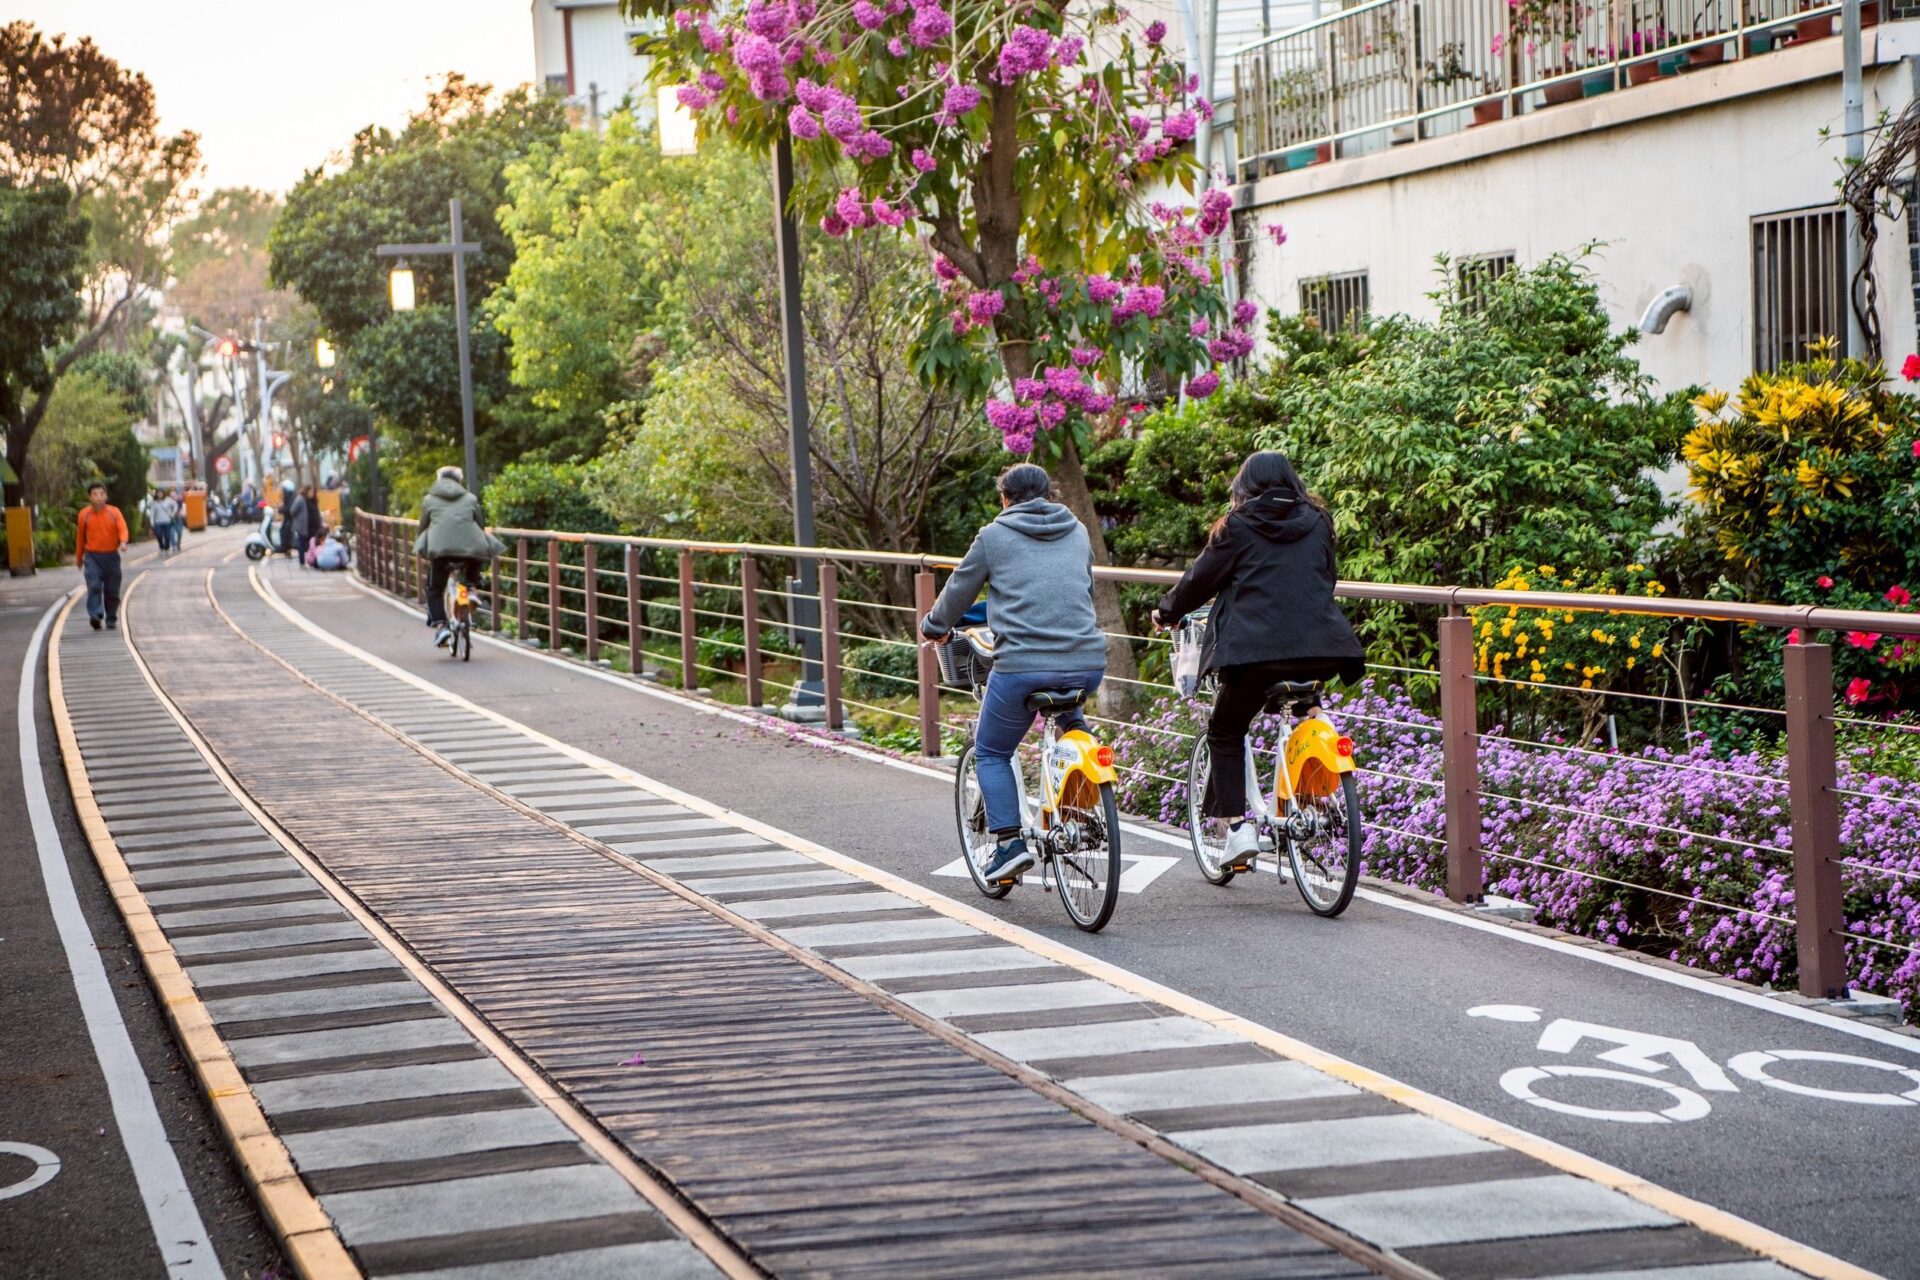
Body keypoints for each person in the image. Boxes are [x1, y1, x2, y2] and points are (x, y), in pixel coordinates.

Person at [1153, 451, 1365, 869]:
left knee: (1226, 730)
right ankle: (1315, 790)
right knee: (1306, 704)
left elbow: (1200, 580)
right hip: (1320, 647)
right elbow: (1326, 576)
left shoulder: (1237, 525)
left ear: (1244, 487)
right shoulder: (1320, 521)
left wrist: (1167, 611)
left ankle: (1236, 830)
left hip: (1256, 655)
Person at [919, 463, 1107, 883]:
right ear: (1049, 494)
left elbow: (958, 594)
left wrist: (934, 626)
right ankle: (1080, 805)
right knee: (1069, 718)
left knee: (991, 751)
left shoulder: (994, 536)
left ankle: (1008, 844)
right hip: (1087, 662)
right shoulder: (1077, 530)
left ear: (1004, 498)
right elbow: (1083, 592)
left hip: (1023, 666)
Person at [415, 465, 505, 646]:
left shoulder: (429, 500)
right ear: (459, 481)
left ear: (439, 480)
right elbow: (480, 524)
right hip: (469, 551)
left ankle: (441, 626)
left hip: (441, 553)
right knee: (477, 548)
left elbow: (422, 527)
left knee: (434, 590)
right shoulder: (470, 498)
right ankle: (471, 588)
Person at [76, 482, 129, 631]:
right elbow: (80, 538)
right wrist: (79, 558)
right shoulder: (84, 515)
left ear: (106, 496)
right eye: (95, 494)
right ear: (90, 497)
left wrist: (123, 542)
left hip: (111, 556)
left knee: (112, 589)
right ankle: (96, 615)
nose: (98, 497)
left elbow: (122, 529)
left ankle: (111, 617)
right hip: (92, 557)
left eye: (101, 494)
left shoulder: (114, 512)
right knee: (94, 585)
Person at [276, 480, 299, 556]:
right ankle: (286, 547)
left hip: (291, 518)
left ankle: (285, 547)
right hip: (288, 518)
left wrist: (280, 510)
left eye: (283, 489)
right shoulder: (289, 496)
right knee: (283, 529)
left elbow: (289, 508)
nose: (282, 490)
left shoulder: (291, 496)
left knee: (285, 530)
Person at [168, 486, 187, 552]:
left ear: (176, 495)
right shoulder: (168, 502)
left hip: (178, 519)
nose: (173, 497)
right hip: (171, 519)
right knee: (171, 532)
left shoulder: (179, 501)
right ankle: (174, 545)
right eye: (171, 495)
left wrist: (181, 514)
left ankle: (178, 544)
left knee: (179, 533)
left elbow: (182, 509)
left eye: (174, 495)